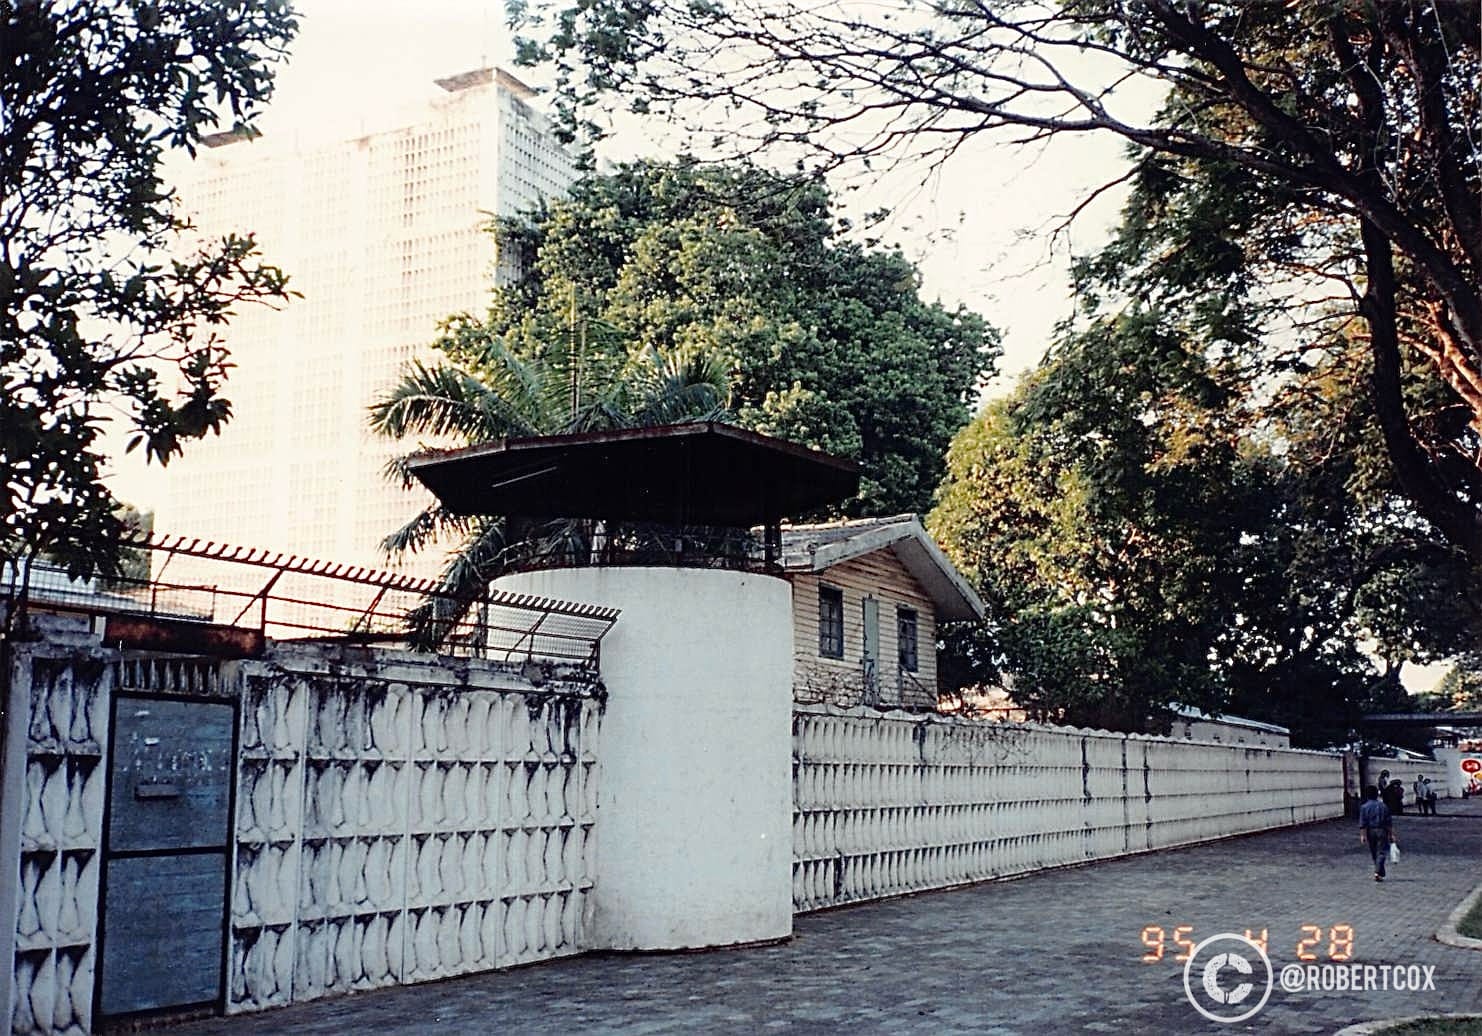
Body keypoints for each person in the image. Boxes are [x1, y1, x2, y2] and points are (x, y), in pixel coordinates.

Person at [1359, 785, 1395, 881]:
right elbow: (1389, 822)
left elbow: (1362, 823)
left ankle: (1378, 871)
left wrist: (1363, 835)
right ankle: (1378, 871)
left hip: (1370, 831)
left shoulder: (1364, 807)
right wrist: (1391, 834)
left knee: (1374, 852)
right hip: (1382, 830)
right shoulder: (1383, 806)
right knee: (1382, 852)